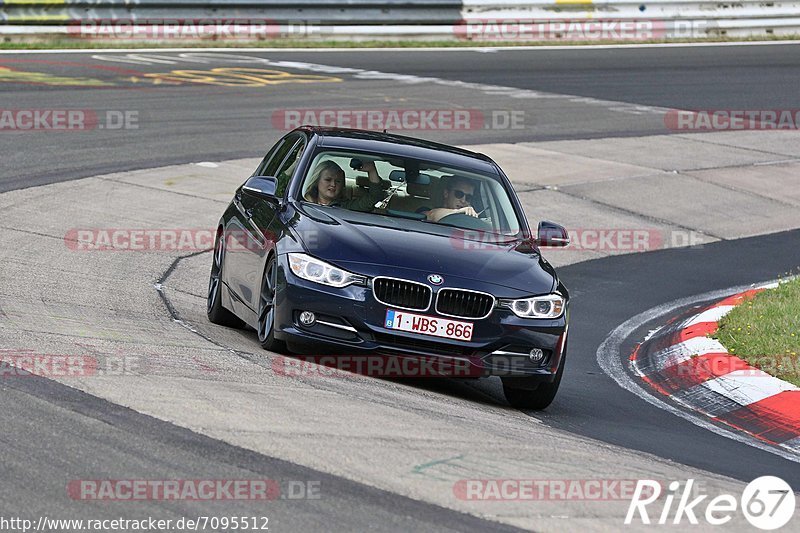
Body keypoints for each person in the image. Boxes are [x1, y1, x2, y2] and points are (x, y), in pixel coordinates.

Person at [303, 159, 384, 212]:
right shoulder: (302, 200)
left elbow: (374, 198)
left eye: (338, 181)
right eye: (328, 180)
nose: (333, 184)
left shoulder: (346, 207)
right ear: (317, 181)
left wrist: (372, 170)